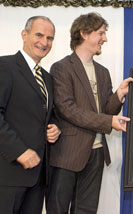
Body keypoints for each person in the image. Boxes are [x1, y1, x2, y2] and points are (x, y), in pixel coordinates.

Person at [46, 12, 133, 214]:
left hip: (96, 153)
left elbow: (106, 111)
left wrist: (119, 94)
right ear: (84, 33)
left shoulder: (102, 72)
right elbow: (67, 109)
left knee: (86, 210)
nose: (105, 38)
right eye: (101, 33)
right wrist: (109, 121)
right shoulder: (61, 68)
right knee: (57, 210)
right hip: (67, 154)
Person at [0, 16, 60, 213]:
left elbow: (46, 114)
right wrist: (19, 151)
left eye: (50, 38)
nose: (44, 42)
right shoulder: (5, 67)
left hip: (38, 178)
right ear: (24, 35)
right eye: (39, 35)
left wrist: (54, 127)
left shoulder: (48, 78)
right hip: (8, 174)